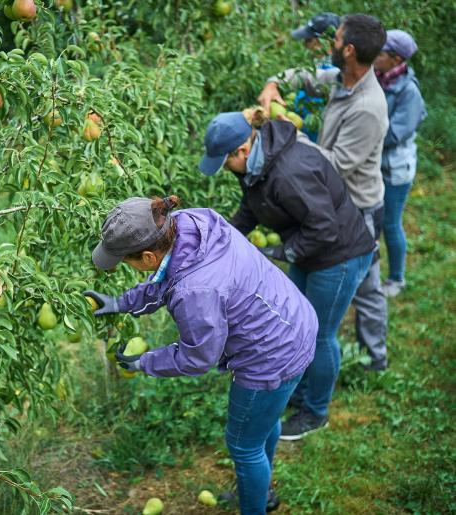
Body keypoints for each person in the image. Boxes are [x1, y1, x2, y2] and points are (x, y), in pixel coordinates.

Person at [84, 196, 317, 515]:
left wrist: (144, 363)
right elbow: (168, 278)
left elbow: (198, 357)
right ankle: (261, 493)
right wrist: (121, 302)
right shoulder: (193, 224)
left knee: (243, 446)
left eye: (126, 260)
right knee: (262, 424)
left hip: (271, 353)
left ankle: (255, 505)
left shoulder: (195, 293)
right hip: (292, 319)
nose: (128, 265)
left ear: (149, 256)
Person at [198, 110, 375, 441]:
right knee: (297, 327)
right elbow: (250, 209)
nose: (223, 168)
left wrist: (280, 254)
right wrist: (219, 242)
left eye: (224, 161)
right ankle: (301, 392)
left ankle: (316, 412)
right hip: (312, 251)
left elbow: (325, 228)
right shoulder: (257, 167)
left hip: (340, 256)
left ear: (242, 150)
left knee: (321, 334)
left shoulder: (288, 173)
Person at [259, 14, 390, 382]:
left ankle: (375, 359)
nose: (331, 43)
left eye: (337, 40)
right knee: (356, 284)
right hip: (333, 203)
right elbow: (304, 76)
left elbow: (333, 167)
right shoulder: (343, 80)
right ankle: (362, 354)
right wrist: (273, 85)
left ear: (348, 50)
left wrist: (285, 134)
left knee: (365, 286)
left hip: (359, 208)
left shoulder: (368, 108)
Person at [374, 30, 426, 297]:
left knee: (390, 224)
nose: (374, 56)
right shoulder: (379, 79)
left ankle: (396, 279)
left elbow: (394, 134)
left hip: (395, 169)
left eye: (380, 53)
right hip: (374, 164)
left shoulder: (409, 92)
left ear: (395, 59)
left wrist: (361, 131)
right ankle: (368, 275)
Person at [289, 12, 342, 142]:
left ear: (322, 42)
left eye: (308, 40)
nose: (305, 45)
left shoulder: (332, 76)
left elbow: (313, 120)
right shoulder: (317, 68)